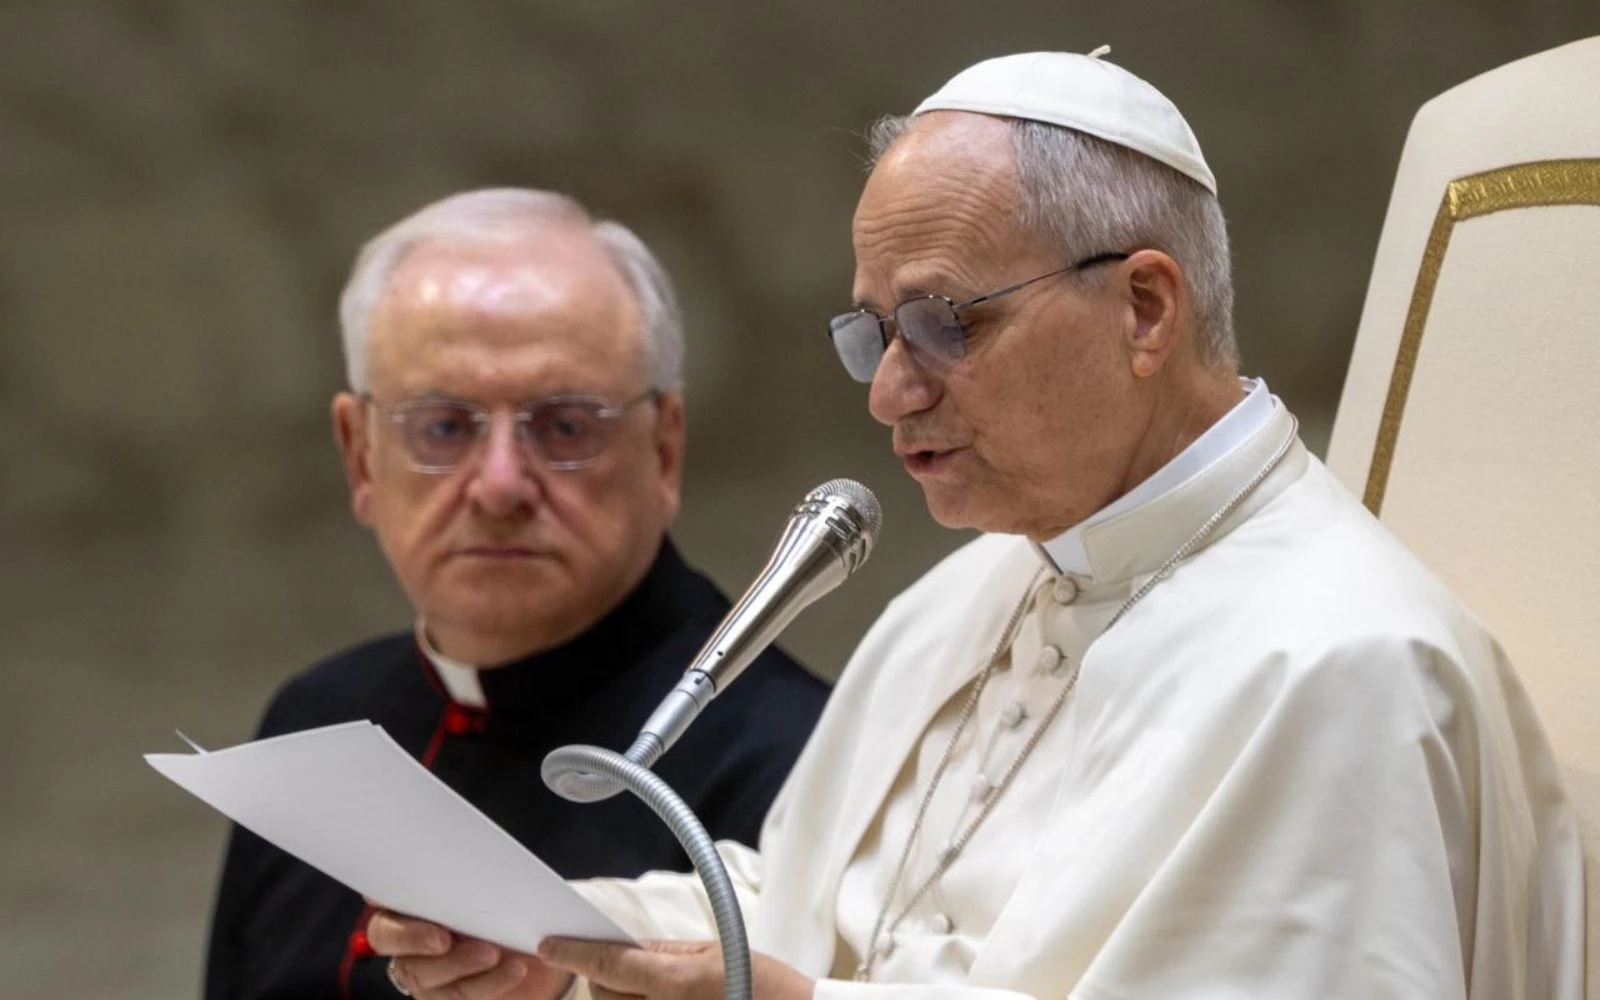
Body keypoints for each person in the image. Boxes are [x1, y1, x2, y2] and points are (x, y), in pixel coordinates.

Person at [368, 52, 1585, 1000]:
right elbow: (802, 908)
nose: (890, 392)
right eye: (872, 334)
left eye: (944, 322)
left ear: (1143, 308)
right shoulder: (963, 595)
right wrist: (572, 946)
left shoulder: (1338, 666)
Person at [203, 189, 830, 1000]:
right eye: (442, 427)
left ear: (664, 450)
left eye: (565, 426)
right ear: (359, 456)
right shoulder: (315, 721)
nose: (500, 486)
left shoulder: (802, 759)